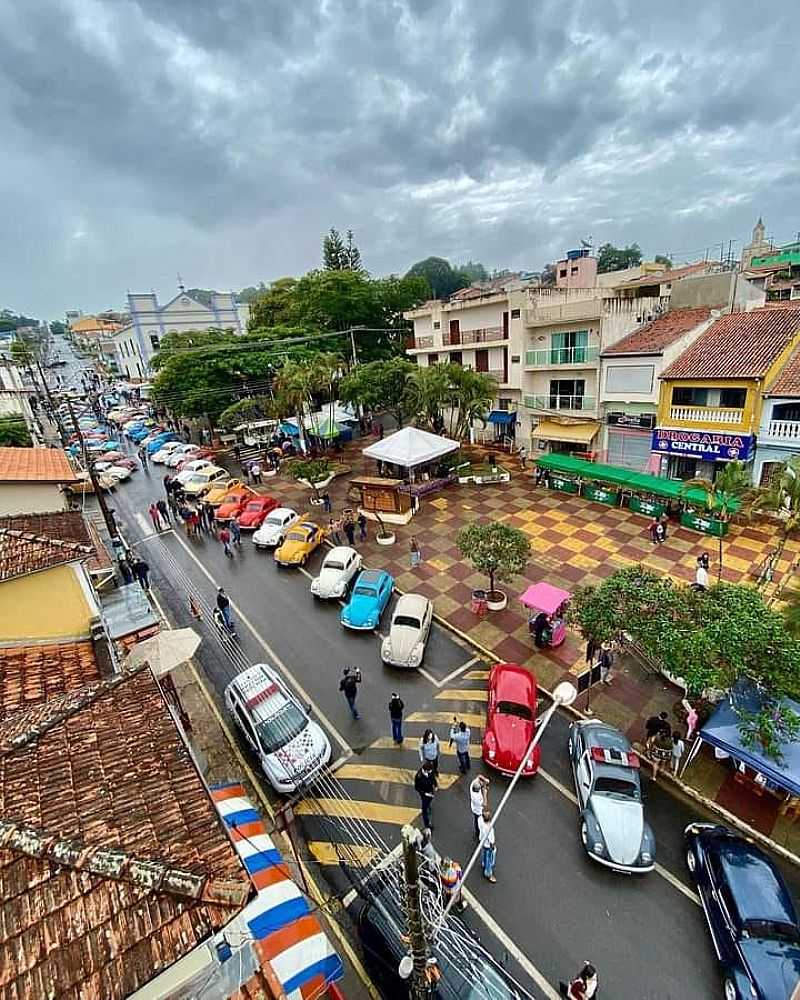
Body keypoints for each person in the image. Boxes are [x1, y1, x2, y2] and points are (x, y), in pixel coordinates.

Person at [414, 761, 437, 830]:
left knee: (429, 802)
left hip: (430, 791)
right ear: (425, 770)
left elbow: (433, 778)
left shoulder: (430, 771)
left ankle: (428, 806)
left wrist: (435, 785)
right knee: (424, 810)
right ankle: (427, 824)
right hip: (424, 794)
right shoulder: (419, 776)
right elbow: (416, 787)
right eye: (429, 771)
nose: (431, 772)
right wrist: (425, 794)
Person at [478, 808, 497, 882]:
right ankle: (488, 873)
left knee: (484, 854)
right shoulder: (489, 828)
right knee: (489, 858)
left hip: (482, 842)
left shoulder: (480, 821)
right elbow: (491, 840)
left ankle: (483, 863)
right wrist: (492, 846)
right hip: (488, 845)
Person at [469, 775, 489, 839]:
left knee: (478, 820)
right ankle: (478, 833)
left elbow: (479, 776)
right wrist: (485, 793)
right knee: (477, 821)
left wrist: (485, 779)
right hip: (477, 810)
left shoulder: (473, 784)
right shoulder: (476, 797)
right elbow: (484, 804)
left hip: (475, 807)